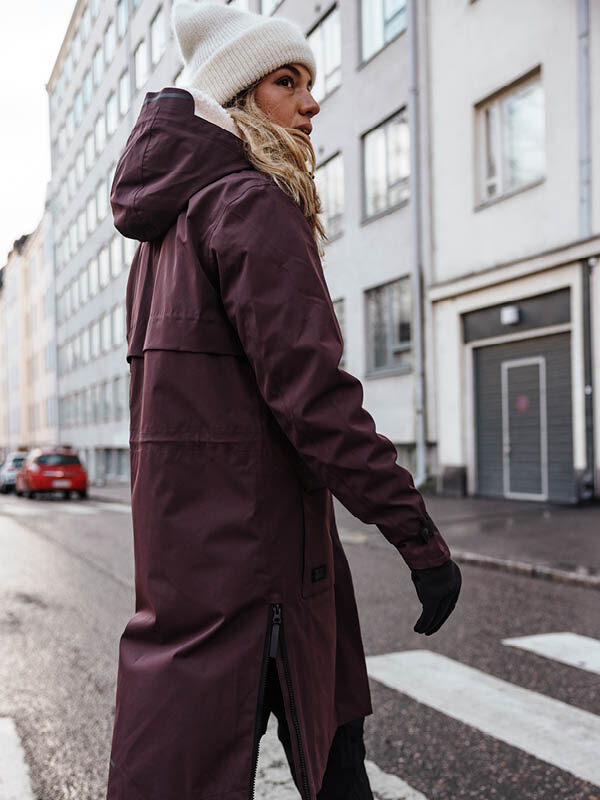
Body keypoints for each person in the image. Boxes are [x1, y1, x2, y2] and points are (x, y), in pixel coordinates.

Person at [105, 3, 462, 799]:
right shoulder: (248, 205)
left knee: (298, 767)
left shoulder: (166, 236)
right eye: (287, 81)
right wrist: (420, 539)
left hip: (197, 574)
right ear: (238, 101)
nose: (312, 102)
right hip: (262, 571)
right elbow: (316, 401)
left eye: (312, 82)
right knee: (334, 774)